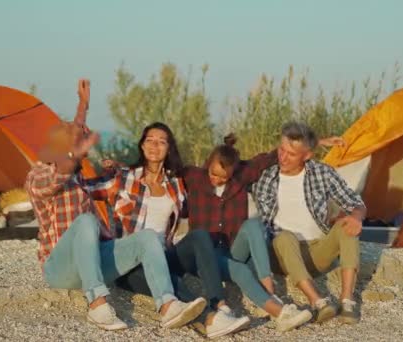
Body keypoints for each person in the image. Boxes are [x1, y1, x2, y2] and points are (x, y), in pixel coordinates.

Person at [113, 133, 343, 332]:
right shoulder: (193, 176)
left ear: (234, 172)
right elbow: (161, 166)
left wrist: (315, 142)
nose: (217, 180)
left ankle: (269, 288)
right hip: (205, 256)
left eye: (223, 177)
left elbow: (273, 155)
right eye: (214, 174)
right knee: (240, 269)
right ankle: (280, 313)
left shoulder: (242, 175)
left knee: (254, 225)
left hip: (232, 249)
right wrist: (119, 167)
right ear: (207, 165)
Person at [25, 79, 206, 331]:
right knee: (87, 221)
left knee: (147, 238)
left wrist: (83, 105)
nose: (84, 146)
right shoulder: (38, 176)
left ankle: (168, 306)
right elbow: (60, 174)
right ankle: (97, 305)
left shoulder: (79, 178)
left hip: (93, 263)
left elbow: (75, 142)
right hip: (59, 269)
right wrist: (78, 155)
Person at [79, 122, 251, 339]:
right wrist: (77, 152)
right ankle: (208, 319)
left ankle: (220, 304)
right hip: (131, 266)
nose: (154, 145)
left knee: (199, 235)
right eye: (149, 140)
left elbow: (203, 193)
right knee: (167, 277)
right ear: (142, 146)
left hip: (166, 256)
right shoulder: (123, 177)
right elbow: (84, 187)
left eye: (161, 141)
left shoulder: (176, 183)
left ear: (169, 148)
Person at [252, 121, 366, 324]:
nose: (283, 157)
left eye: (291, 154)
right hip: (281, 254)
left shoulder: (322, 173)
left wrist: (356, 216)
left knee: (346, 225)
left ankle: (347, 299)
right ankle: (318, 302)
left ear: (307, 156)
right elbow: (236, 169)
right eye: (281, 150)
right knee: (284, 237)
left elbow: (355, 202)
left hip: (317, 253)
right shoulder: (266, 177)